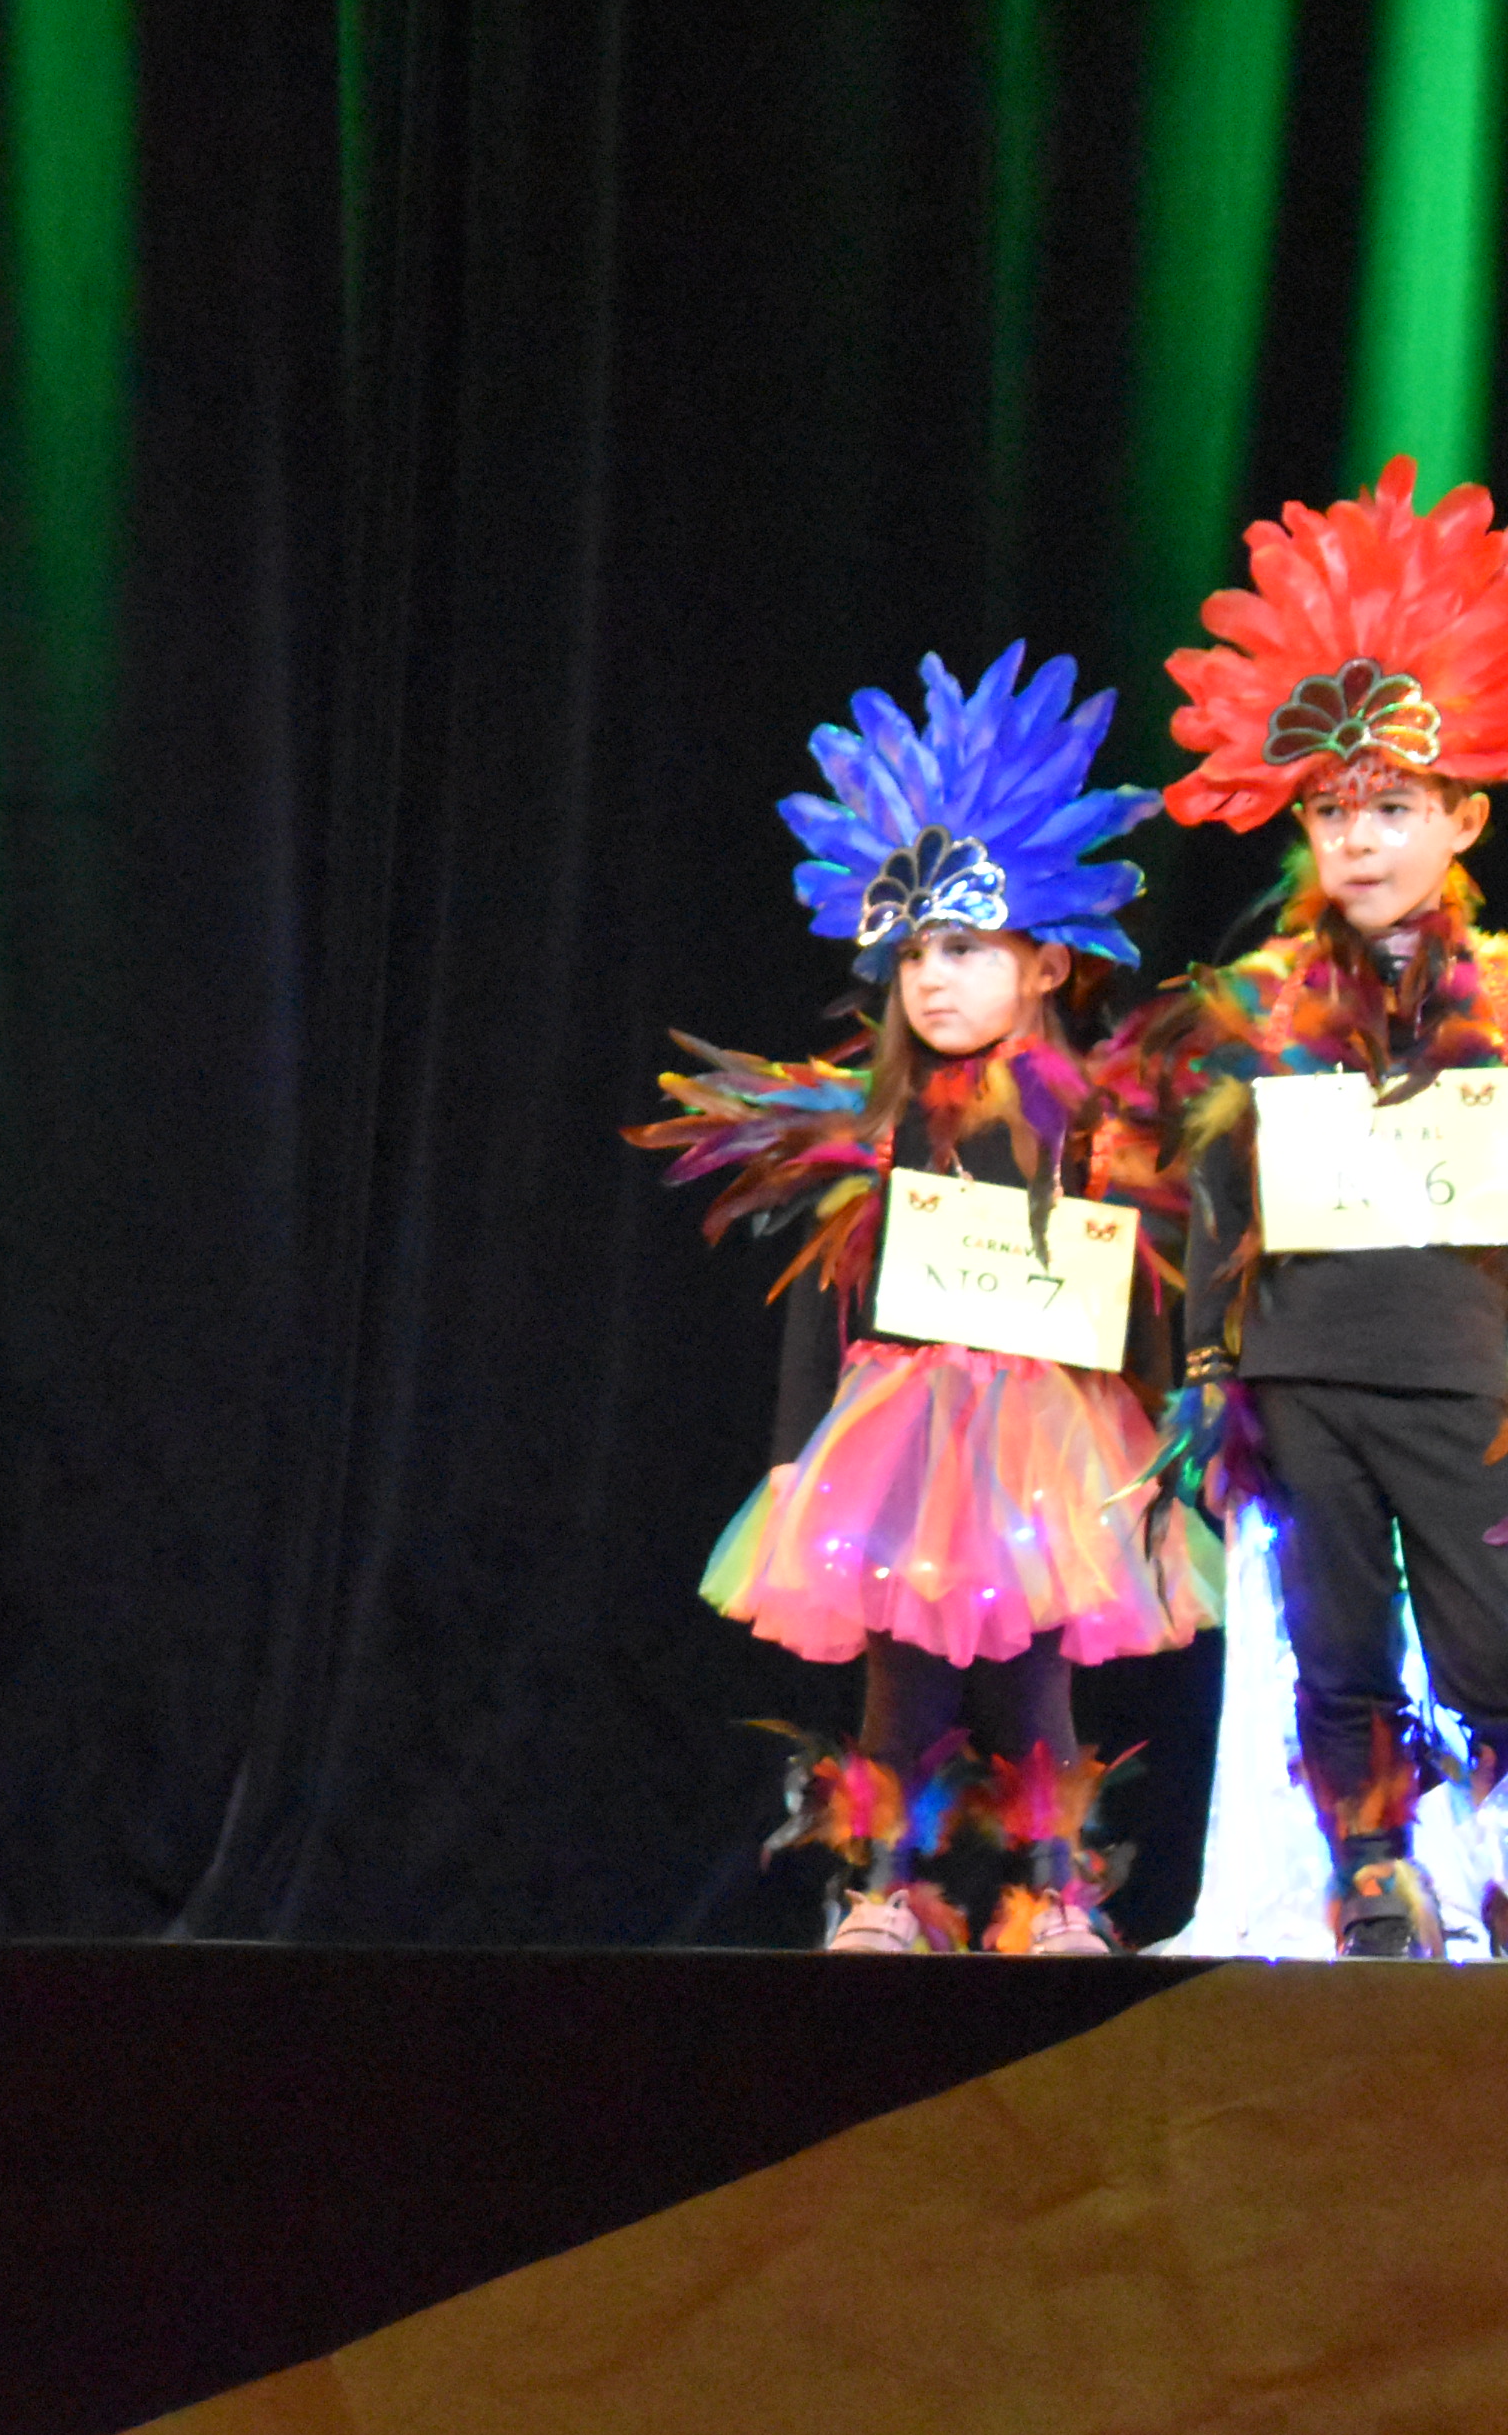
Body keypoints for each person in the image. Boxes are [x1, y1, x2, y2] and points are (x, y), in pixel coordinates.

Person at [636, 647, 1205, 1955]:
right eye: (911, 956)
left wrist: (1158, 1460)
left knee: (1038, 1692)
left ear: (1048, 964)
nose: (931, 978)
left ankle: (1058, 1897)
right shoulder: (875, 1132)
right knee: (903, 1688)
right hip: (899, 1442)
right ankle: (881, 1892)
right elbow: (818, 1305)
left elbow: (1137, 1304)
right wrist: (793, 1453)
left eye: (964, 948)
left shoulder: (1096, 1134)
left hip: (1052, 1445)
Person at [1142, 459, 1508, 1959]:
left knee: (1493, 1648)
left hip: (1468, 1376)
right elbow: (1214, 1201)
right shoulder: (1258, 1008)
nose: (1356, 839)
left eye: (1392, 807)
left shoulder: (1506, 1005)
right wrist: (1209, 1374)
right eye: (1331, 810)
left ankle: (1490, 1845)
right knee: (1337, 1643)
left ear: (1462, 818)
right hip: (1303, 1376)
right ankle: (1372, 1869)